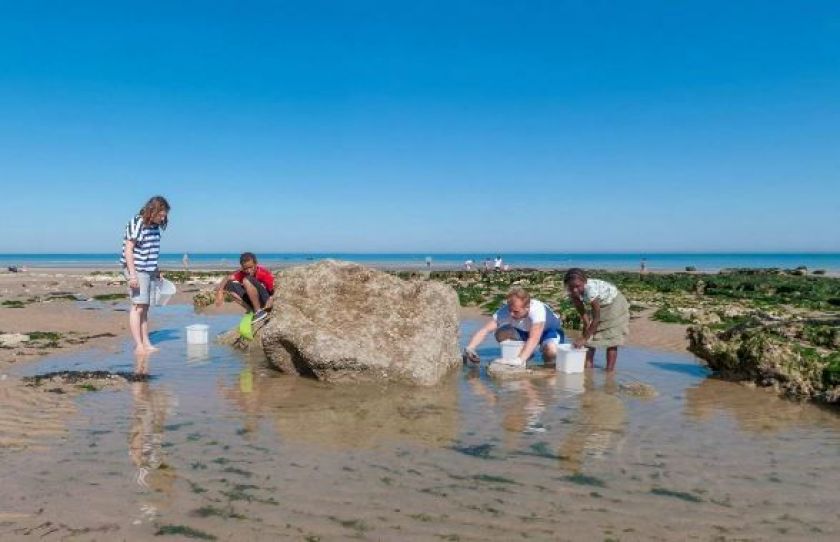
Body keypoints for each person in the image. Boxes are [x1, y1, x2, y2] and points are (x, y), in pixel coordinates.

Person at [463, 286, 564, 367]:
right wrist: (470, 347)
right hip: (524, 332)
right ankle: (528, 355)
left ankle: (548, 369)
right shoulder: (507, 310)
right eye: (509, 310)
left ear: (527, 307)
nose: (511, 314)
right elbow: (485, 329)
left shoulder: (538, 310)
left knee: (551, 351)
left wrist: (519, 360)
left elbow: (534, 338)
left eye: (516, 311)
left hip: (549, 332)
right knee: (500, 333)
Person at [121, 196, 170, 355]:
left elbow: (150, 251)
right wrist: (133, 276)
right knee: (137, 307)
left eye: (164, 215)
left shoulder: (155, 227)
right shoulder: (137, 223)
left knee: (145, 308)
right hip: (136, 269)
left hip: (148, 269)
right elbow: (129, 250)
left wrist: (156, 270)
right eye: (161, 214)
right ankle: (139, 345)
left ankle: (146, 342)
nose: (163, 218)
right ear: (152, 210)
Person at [563, 268, 630, 372]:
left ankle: (609, 371)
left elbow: (596, 318)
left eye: (577, 286)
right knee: (590, 338)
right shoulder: (572, 292)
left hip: (614, 302)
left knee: (612, 338)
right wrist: (586, 324)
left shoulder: (590, 290)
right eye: (571, 287)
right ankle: (588, 368)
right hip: (600, 304)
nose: (575, 290)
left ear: (584, 282)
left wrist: (584, 338)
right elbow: (581, 308)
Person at [215, 252, 274, 323]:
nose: (248, 271)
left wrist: (271, 300)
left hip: (265, 300)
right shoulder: (242, 273)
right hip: (253, 300)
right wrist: (220, 292)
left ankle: (258, 312)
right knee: (229, 285)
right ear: (242, 267)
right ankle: (250, 310)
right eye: (245, 268)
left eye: (250, 267)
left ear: (256, 264)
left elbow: (273, 290)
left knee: (247, 279)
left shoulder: (263, 273)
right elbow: (228, 278)